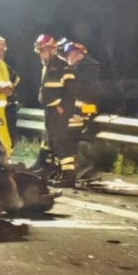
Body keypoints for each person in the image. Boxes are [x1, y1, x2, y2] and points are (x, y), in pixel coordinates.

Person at [31, 34, 72, 180]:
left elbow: (71, 89)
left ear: (51, 50)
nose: (40, 54)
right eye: (39, 51)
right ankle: (48, 168)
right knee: (49, 140)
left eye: (43, 50)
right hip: (50, 109)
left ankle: (67, 175)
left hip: (58, 111)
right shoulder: (47, 66)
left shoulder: (61, 65)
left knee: (60, 141)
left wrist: (62, 106)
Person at [60, 40, 100, 184]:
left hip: (82, 108)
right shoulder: (89, 67)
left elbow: (77, 91)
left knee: (74, 139)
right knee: (77, 139)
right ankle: (80, 172)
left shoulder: (81, 69)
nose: (67, 56)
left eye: (69, 53)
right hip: (85, 108)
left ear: (77, 53)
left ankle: (79, 172)